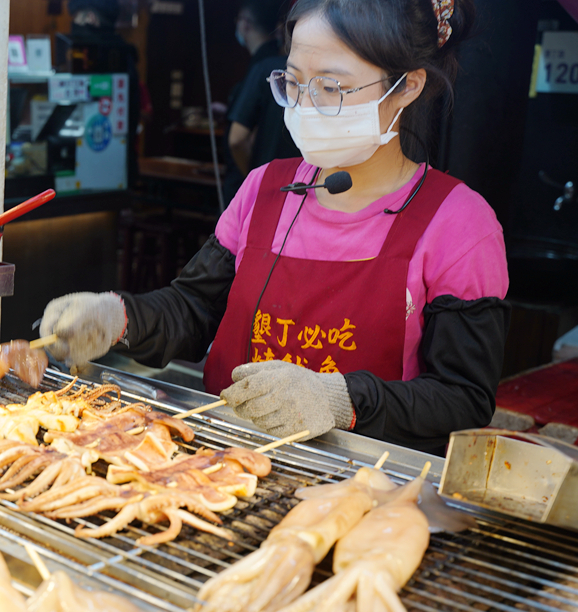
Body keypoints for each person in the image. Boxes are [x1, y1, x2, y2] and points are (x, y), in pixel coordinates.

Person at [39, 0, 510, 454]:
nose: (305, 107)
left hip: (359, 485)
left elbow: (462, 399)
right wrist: (116, 317)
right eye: (295, 83)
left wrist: (338, 400)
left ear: (406, 87)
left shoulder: (459, 224)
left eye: (331, 88)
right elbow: (194, 308)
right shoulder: (264, 188)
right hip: (224, 458)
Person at [223, 0, 300, 204]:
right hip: (302, 187)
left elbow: (236, 139)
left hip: (263, 186)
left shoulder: (265, 69)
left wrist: (254, 174)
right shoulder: (320, 80)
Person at [67, 0, 142, 186]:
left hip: (88, 164)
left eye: (77, 17)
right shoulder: (126, 52)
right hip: (120, 162)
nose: (74, 24)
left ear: (90, 18)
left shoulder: (90, 52)